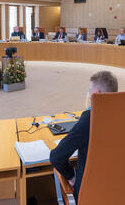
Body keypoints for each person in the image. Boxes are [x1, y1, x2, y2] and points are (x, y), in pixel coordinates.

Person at [50, 71, 118, 201]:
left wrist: (71, 176)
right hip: (121, 188)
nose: (88, 94)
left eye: (89, 91)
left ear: (97, 94)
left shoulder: (89, 119)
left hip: (91, 194)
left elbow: (56, 157)